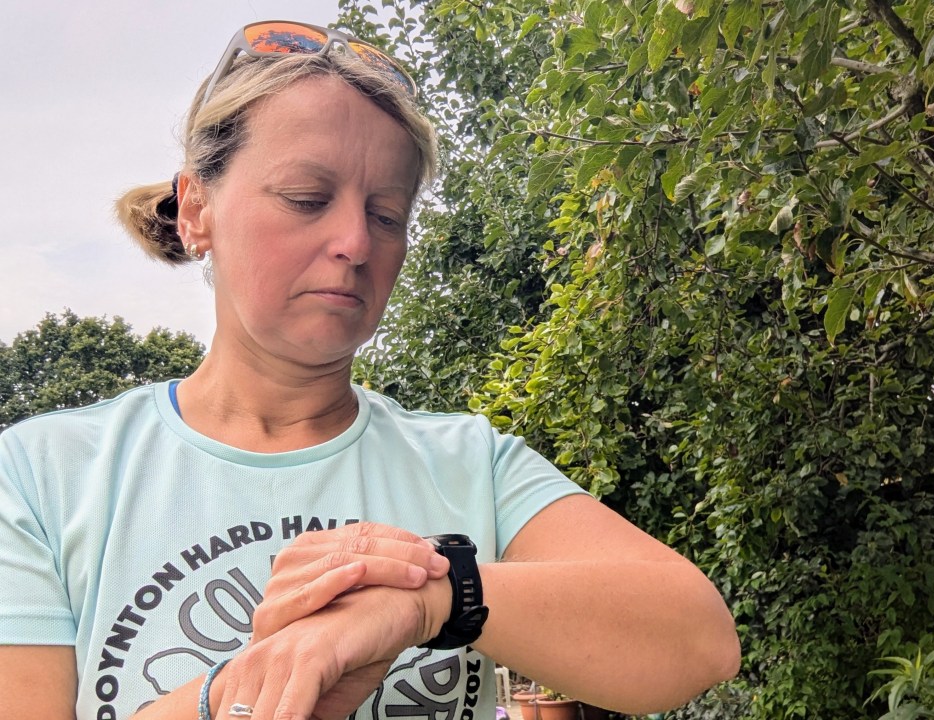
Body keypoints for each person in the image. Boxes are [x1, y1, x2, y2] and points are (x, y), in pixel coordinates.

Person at [0, 20, 740, 720]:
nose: (354, 240)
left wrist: (430, 599)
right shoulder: (41, 475)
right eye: (306, 199)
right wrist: (253, 684)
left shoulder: (471, 463)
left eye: (387, 214)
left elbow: (698, 641)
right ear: (196, 209)